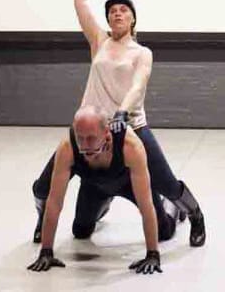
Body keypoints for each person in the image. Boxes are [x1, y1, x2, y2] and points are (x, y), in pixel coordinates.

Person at [31, 0, 205, 250]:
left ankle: (194, 214)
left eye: (123, 10)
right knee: (43, 185)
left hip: (131, 126)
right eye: (112, 11)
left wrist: (122, 113)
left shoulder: (142, 53)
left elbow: (138, 85)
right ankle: (43, 217)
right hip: (89, 127)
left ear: (133, 19)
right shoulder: (99, 41)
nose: (117, 14)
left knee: (165, 183)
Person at [28, 106, 172, 274]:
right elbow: (54, 202)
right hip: (94, 186)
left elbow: (146, 205)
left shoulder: (130, 146)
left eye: (91, 138)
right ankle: (105, 202)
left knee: (164, 231)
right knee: (81, 231)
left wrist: (152, 254)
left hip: (129, 184)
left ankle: (172, 207)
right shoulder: (68, 147)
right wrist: (46, 251)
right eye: (80, 138)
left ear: (107, 134)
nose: (85, 145)